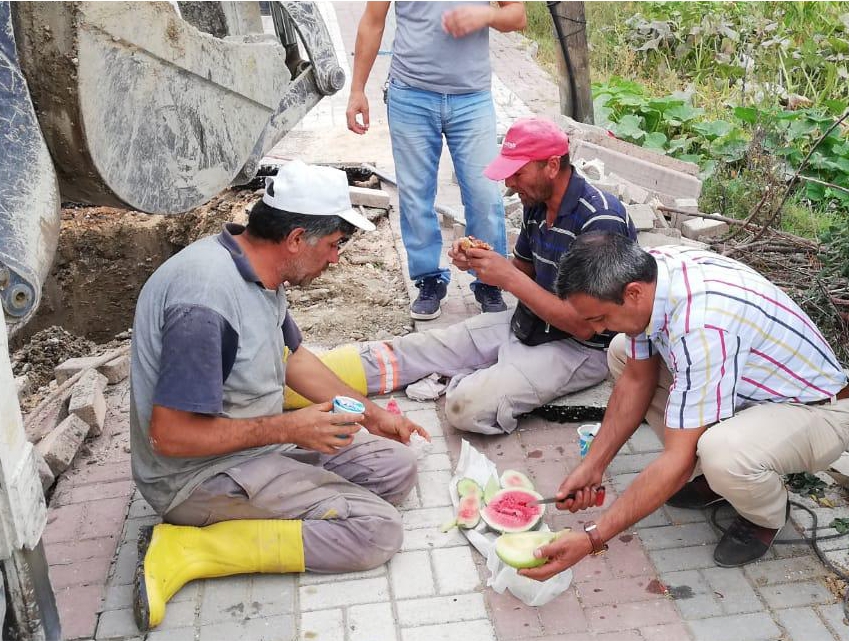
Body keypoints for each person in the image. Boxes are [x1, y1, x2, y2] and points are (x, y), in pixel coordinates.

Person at [128, 161, 429, 631]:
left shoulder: (255, 268)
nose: (336, 260)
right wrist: (291, 427)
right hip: (196, 475)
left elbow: (294, 358)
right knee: (377, 531)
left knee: (397, 469)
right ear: (295, 239)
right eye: (334, 246)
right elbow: (170, 437)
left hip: (254, 442)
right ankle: (192, 548)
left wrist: (372, 415)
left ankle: (276, 494)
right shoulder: (204, 304)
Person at [519, 233, 849, 581]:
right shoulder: (648, 277)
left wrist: (593, 538)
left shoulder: (703, 325)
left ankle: (765, 516)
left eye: (600, 318)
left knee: (722, 453)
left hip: (819, 412)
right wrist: (593, 465)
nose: (595, 329)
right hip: (749, 393)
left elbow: (676, 461)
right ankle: (716, 479)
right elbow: (636, 380)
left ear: (633, 292)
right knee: (622, 351)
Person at [286, 117, 636, 435]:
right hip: (530, 322)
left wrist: (506, 278)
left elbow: (584, 326)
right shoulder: (536, 205)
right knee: (415, 350)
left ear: (552, 166)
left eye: (518, 173)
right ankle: (286, 381)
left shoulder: (600, 221)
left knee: (464, 410)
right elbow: (526, 272)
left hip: (581, 348)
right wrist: (484, 263)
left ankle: (476, 376)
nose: (511, 184)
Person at [347, 1, 526, 320]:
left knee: (484, 194)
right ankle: (429, 279)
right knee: (415, 196)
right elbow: (373, 22)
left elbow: (517, 15)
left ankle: (488, 280)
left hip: (472, 99)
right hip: (410, 96)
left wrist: (487, 14)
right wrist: (357, 89)